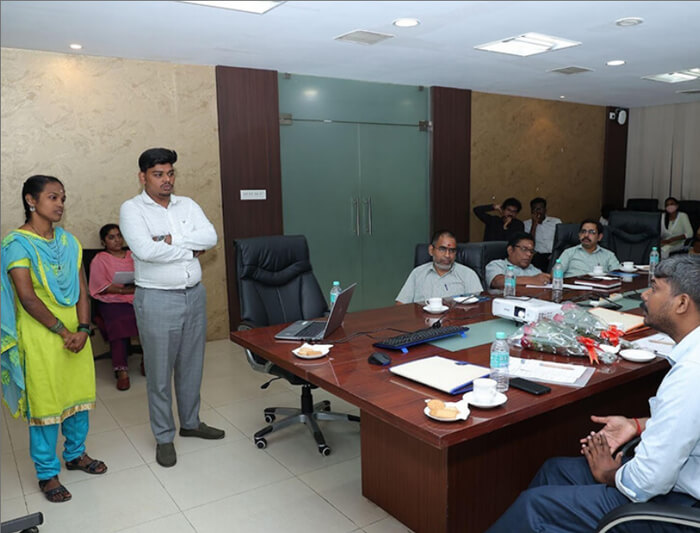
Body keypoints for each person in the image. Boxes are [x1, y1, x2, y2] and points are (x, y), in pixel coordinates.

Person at [486, 255, 700, 533]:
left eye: (656, 288)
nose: (646, 294)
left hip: (681, 507)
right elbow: (687, 421)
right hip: (677, 481)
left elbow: (648, 482)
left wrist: (608, 474)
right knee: (554, 470)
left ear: (682, 303)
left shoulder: (691, 372)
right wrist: (636, 424)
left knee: (535, 507)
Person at [1, 175, 107, 503]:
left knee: (78, 397)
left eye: (63, 197)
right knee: (45, 404)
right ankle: (47, 473)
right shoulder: (16, 243)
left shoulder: (69, 242)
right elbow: (27, 297)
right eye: (52, 197)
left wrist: (84, 329)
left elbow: (82, 290)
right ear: (31, 201)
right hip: (41, 335)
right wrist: (63, 331)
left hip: (76, 333)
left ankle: (76, 454)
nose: (60, 203)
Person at [119, 148, 223, 468]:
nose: (167, 180)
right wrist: (190, 249)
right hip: (157, 298)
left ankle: (190, 423)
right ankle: (164, 436)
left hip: (194, 294)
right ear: (143, 177)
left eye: (170, 173)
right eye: (158, 174)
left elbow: (211, 237)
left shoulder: (187, 205)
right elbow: (144, 250)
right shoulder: (132, 209)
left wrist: (170, 239)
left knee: (192, 365)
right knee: (160, 373)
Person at [88, 223, 141, 391]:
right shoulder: (100, 259)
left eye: (119, 236)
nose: (117, 240)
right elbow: (101, 285)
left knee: (150, 317)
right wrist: (125, 290)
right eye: (111, 237)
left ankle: (149, 361)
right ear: (104, 242)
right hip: (111, 300)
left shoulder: (134, 255)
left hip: (136, 297)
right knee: (119, 321)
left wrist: (134, 288)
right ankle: (121, 371)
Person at [396, 229, 482, 304]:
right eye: (442, 249)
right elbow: (401, 305)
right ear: (431, 250)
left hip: (456, 320)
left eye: (452, 251)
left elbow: (478, 306)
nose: (447, 255)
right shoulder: (417, 273)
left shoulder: (468, 275)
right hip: (422, 320)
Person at [485, 232, 552, 289]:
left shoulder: (535, 270)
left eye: (531, 251)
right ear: (510, 250)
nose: (529, 254)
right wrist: (533, 280)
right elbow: (497, 282)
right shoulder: (497, 264)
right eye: (524, 249)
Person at [523, 197, 562, 271]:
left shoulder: (555, 222)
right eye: (535, 209)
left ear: (545, 210)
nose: (538, 211)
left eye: (540, 208)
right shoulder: (526, 224)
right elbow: (529, 243)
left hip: (554, 254)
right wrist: (534, 224)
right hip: (538, 256)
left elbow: (561, 240)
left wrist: (554, 253)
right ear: (531, 211)